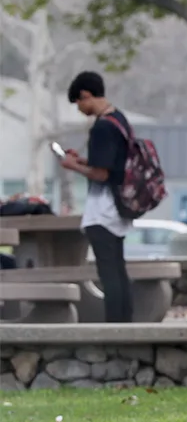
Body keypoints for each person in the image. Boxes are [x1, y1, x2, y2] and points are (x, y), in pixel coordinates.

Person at [58, 71, 135, 323]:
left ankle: (115, 327)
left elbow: (101, 173)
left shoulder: (102, 127)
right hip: (119, 207)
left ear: (86, 95)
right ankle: (126, 323)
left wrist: (73, 166)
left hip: (103, 211)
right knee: (118, 270)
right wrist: (82, 160)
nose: (79, 109)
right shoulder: (120, 120)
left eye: (78, 103)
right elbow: (110, 165)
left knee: (108, 272)